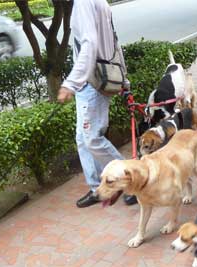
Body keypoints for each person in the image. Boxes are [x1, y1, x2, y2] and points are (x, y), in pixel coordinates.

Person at [57, 0, 136, 208]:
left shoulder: (83, 2)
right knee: (83, 139)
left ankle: (130, 182)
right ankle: (97, 189)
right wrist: (125, 80)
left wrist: (71, 83)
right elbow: (113, 42)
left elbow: (90, 43)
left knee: (92, 138)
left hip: (92, 82)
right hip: (94, 81)